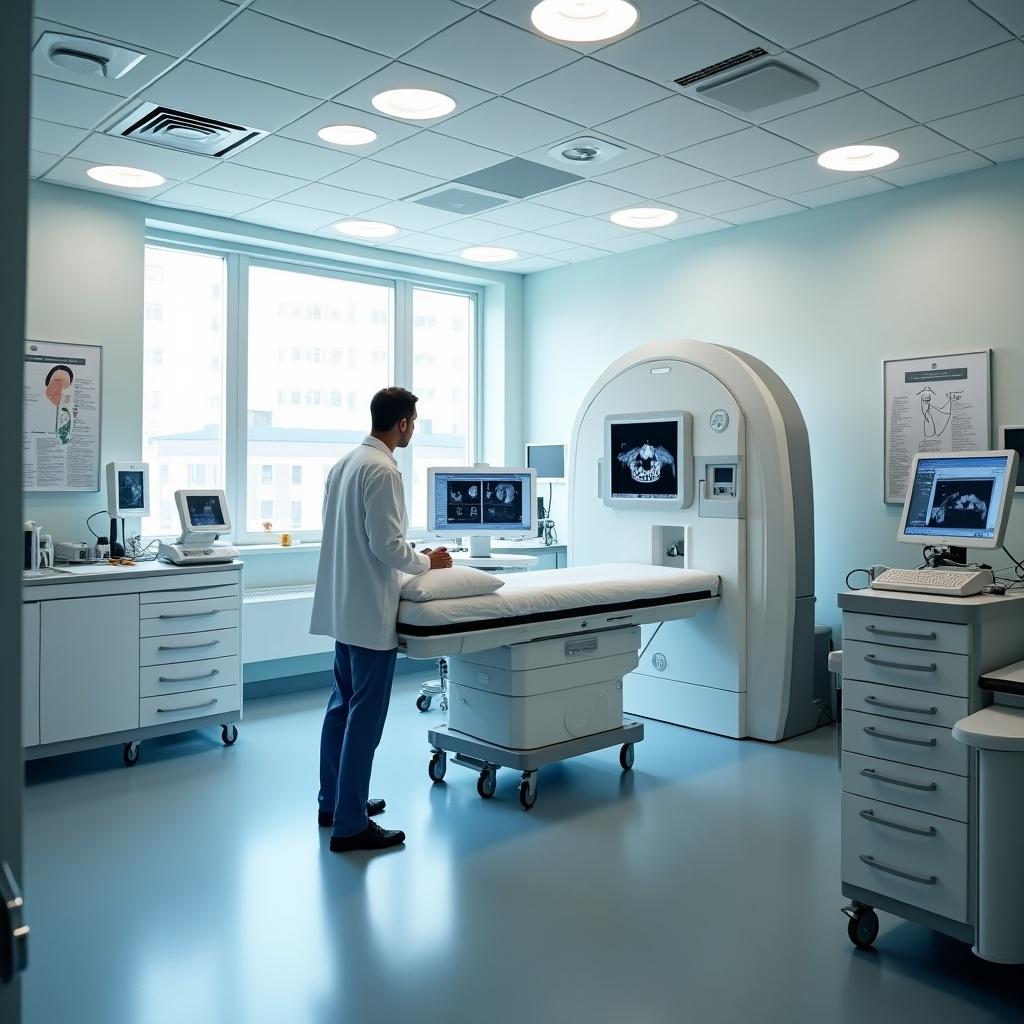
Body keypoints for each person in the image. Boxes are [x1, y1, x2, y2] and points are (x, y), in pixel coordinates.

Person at [310, 387, 453, 853]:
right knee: (364, 719)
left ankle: (333, 802)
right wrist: (429, 561)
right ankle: (350, 826)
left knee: (341, 707)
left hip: (343, 607)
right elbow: (388, 546)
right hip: (369, 612)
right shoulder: (383, 470)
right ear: (404, 423)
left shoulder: (346, 463)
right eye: (415, 422)